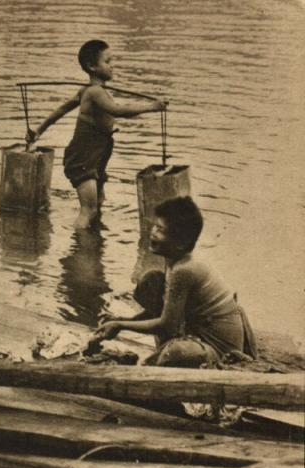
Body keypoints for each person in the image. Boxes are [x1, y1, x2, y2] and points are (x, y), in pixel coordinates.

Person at [94, 197, 257, 368]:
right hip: (196, 331)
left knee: (177, 353)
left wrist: (120, 325)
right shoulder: (173, 261)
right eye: (155, 226)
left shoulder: (184, 270)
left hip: (219, 349)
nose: (153, 233)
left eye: (161, 230)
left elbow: (167, 324)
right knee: (151, 281)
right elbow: (168, 310)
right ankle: (165, 353)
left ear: (180, 244)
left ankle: (157, 362)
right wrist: (122, 319)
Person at [26, 40, 166, 229]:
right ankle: (80, 252)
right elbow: (118, 110)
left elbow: (61, 110)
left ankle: (93, 245)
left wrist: (38, 131)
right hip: (83, 157)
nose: (112, 66)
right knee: (88, 210)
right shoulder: (94, 92)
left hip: (97, 154)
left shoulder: (89, 91)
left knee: (98, 203)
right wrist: (152, 107)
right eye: (108, 61)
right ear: (92, 66)